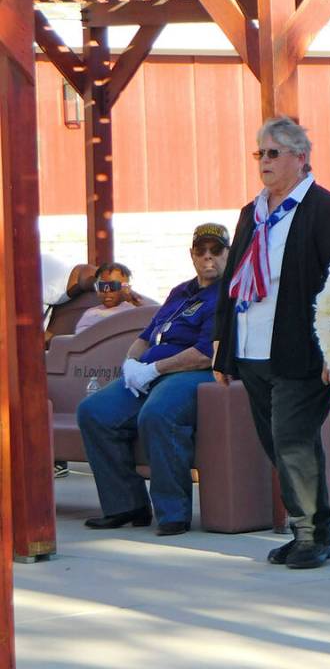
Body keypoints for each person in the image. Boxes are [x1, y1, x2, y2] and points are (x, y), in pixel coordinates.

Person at [213, 116, 330, 570]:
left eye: (274, 153)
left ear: (301, 157)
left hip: (301, 347)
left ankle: (313, 533)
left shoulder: (323, 209)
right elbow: (231, 282)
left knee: (291, 437)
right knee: (276, 442)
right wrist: (223, 346)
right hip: (253, 345)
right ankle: (310, 529)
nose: (265, 162)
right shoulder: (251, 213)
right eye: (260, 153)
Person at [76, 224, 229, 536]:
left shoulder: (228, 293)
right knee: (93, 412)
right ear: (192, 255)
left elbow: (204, 352)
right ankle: (126, 505)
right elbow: (146, 337)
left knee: (159, 414)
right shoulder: (180, 292)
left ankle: (173, 512)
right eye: (202, 251)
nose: (208, 257)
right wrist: (131, 364)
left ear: (229, 253)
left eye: (216, 250)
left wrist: (154, 370)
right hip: (152, 372)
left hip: (194, 373)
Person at [74, 262, 137, 334]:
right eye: (102, 286)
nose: (107, 290)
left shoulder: (133, 312)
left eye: (113, 285)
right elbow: (80, 338)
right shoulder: (91, 313)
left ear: (126, 289)